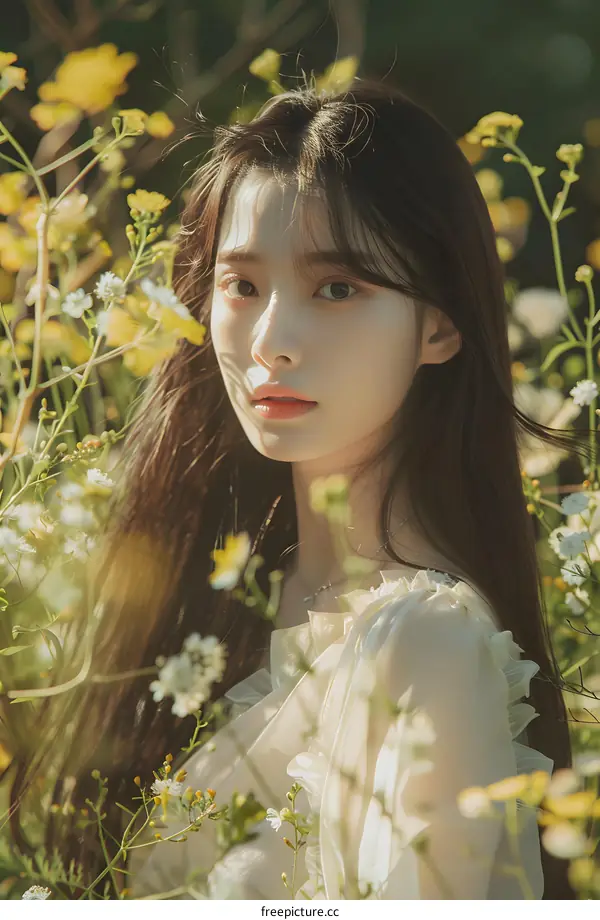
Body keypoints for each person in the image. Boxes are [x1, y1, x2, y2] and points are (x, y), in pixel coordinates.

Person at [16, 77, 587, 899]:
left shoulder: (425, 649)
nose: (272, 342)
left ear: (441, 323)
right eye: (241, 286)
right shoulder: (220, 593)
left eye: (337, 288)